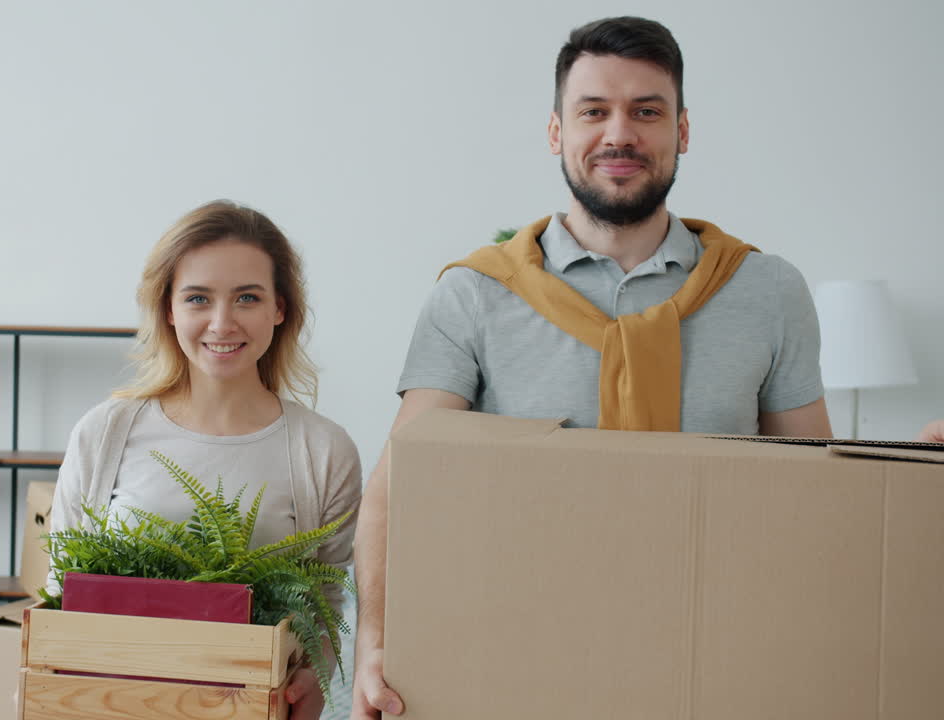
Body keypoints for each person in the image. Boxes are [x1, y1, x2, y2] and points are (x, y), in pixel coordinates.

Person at [350, 16, 833, 719]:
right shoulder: (477, 293)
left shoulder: (767, 291)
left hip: (717, 666)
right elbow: (401, 487)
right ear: (556, 133)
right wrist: (375, 645)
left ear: (683, 131)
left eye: (646, 111)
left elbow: (815, 489)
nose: (619, 134)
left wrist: (914, 474)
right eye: (594, 112)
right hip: (513, 660)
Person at [48, 200, 362, 720]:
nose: (222, 323)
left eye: (247, 297)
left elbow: (323, 606)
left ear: (279, 309)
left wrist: (312, 680)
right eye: (198, 298)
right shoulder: (106, 433)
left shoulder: (323, 451)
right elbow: (63, 591)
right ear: (168, 309)